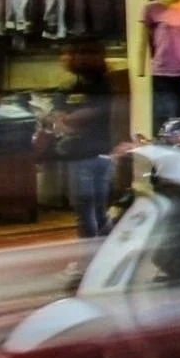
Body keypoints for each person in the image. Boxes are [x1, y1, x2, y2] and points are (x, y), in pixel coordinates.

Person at [50, 39, 121, 238]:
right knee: (97, 210)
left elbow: (86, 115)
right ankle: (103, 256)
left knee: (87, 211)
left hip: (85, 154)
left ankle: (89, 260)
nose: (64, 58)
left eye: (68, 54)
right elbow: (58, 119)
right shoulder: (73, 86)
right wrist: (67, 119)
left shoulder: (99, 85)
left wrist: (68, 119)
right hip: (97, 152)